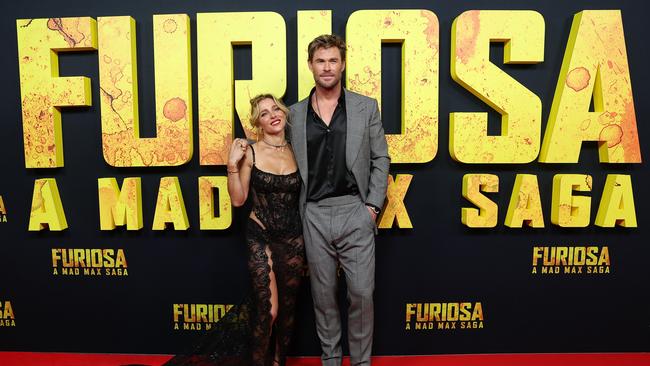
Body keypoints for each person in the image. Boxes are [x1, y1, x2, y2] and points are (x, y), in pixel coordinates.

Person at [163, 94, 305, 366]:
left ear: (284, 113)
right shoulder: (250, 152)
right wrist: (231, 164)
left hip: (292, 238)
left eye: (275, 109)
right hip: (260, 234)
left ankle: (278, 362)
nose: (272, 115)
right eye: (264, 113)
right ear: (257, 123)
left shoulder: (299, 150)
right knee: (269, 310)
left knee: (288, 311)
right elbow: (238, 199)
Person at [289, 34, 390, 366]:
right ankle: (330, 360)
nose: (327, 67)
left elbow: (381, 159)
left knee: (361, 294)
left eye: (333, 60)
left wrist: (372, 207)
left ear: (343, 64)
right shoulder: (294, 114)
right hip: (314, 214)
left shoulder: (366, 107)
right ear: (310, 66)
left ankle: (361, 363)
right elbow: (273, 151)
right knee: (323, 298)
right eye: (320, 61)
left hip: (354, 211)